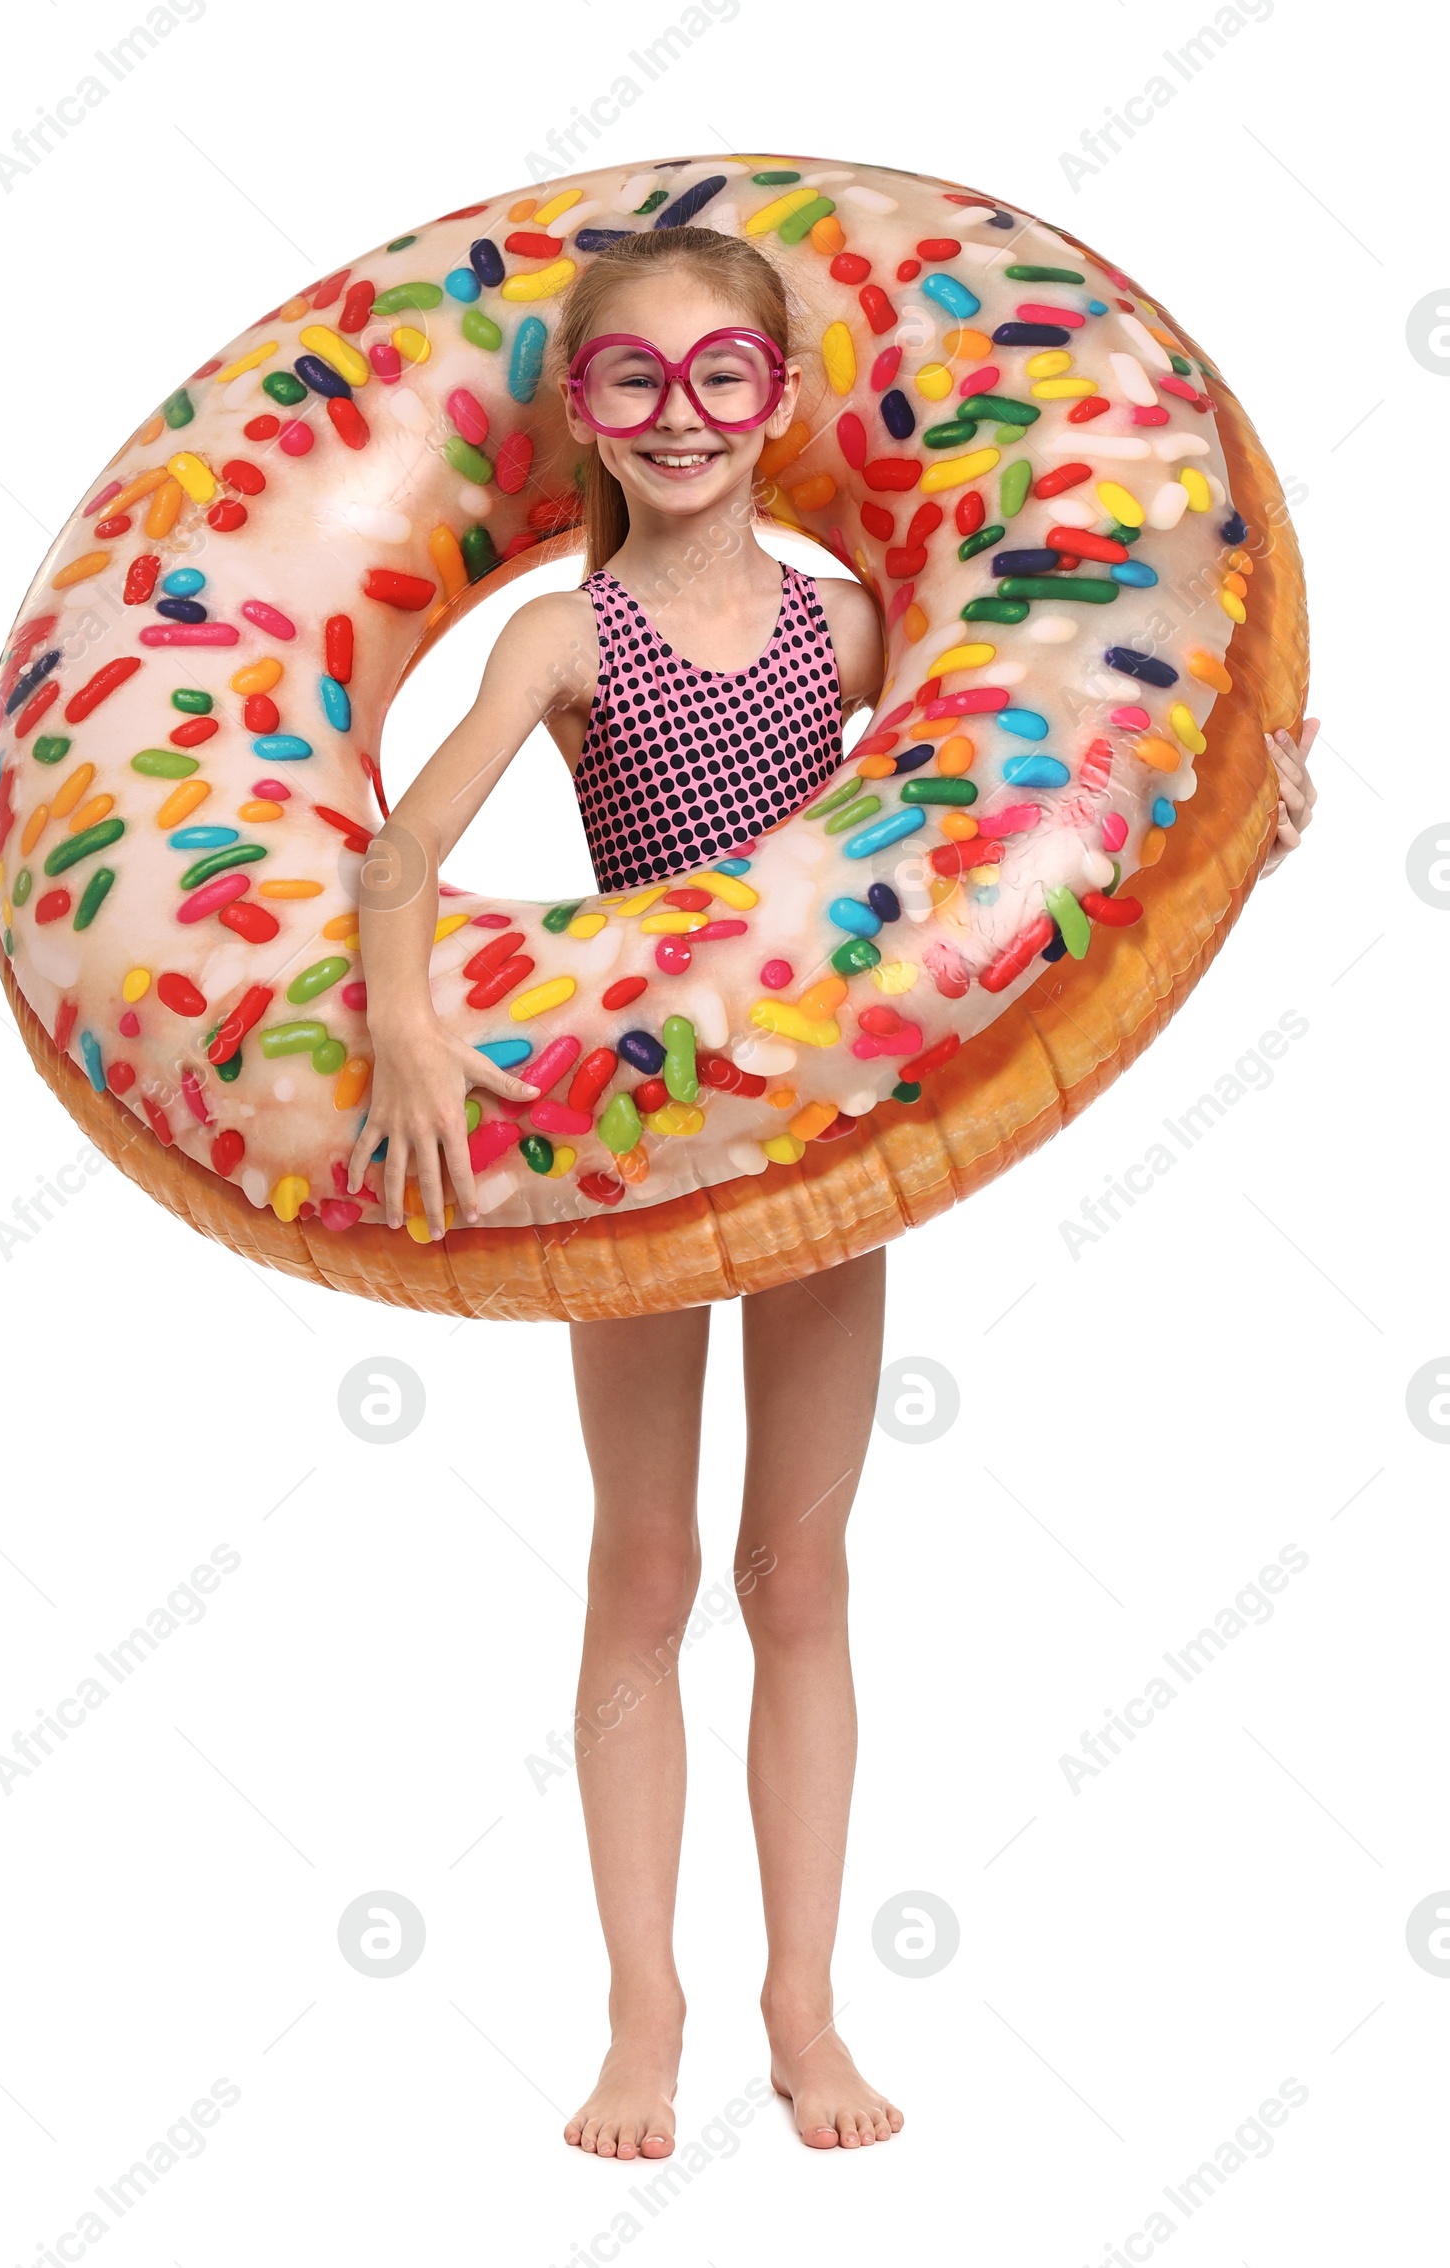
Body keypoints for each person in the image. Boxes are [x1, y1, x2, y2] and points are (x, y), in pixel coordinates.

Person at [346, 226, 1317, 2161]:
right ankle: (645, 2019)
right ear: (588, 419)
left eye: (722, 379)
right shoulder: (565, 638)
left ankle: (804, 2007)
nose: (682, 416)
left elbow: (1033, 792)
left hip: (817, 1140)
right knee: (643, 1569)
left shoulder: (847, 634)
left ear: (778, 407)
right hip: (624, 1135)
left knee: (802, 1572)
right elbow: (400, 854)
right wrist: (403, 1028)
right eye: (635, 382)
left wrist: (1237, 826)